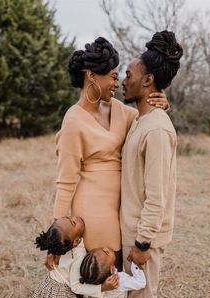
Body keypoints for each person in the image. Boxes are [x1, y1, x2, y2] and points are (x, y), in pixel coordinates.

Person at [48, 37, 169, 274]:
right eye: (113, 76)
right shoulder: (73, 120)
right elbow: (65, 183)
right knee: (95, 276)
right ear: (92, 75)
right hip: (91, 211)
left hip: (120, 211)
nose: (118, 83)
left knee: (113, 281)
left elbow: (148, 122)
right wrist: (57, 238)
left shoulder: (120, 110)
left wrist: (163, 104)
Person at [118, 30, 183, 298]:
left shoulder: (156, 128)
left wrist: (142, 243)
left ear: (148, 81)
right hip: (131, 231)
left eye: (128, 74)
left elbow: (157, 195)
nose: (122, 80)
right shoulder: (141, 120)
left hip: (143, 238)